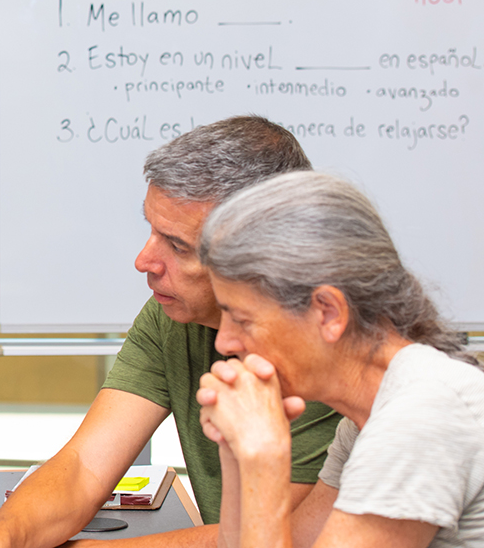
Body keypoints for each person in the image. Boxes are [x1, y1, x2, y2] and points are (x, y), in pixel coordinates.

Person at [0, 116, 340, 548]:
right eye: (151, 229)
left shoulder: (323, 346)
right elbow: (84, 466)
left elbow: (270, 535)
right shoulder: (174, 316)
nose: (145, 260)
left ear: (261, 253)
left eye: (178, 246)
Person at [196, 171, 484, 548]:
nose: (226, 342)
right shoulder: (364, 422)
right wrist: (235, 449)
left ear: (329, 313)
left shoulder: (419, 416)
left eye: (242, 319)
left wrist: (264, 458)